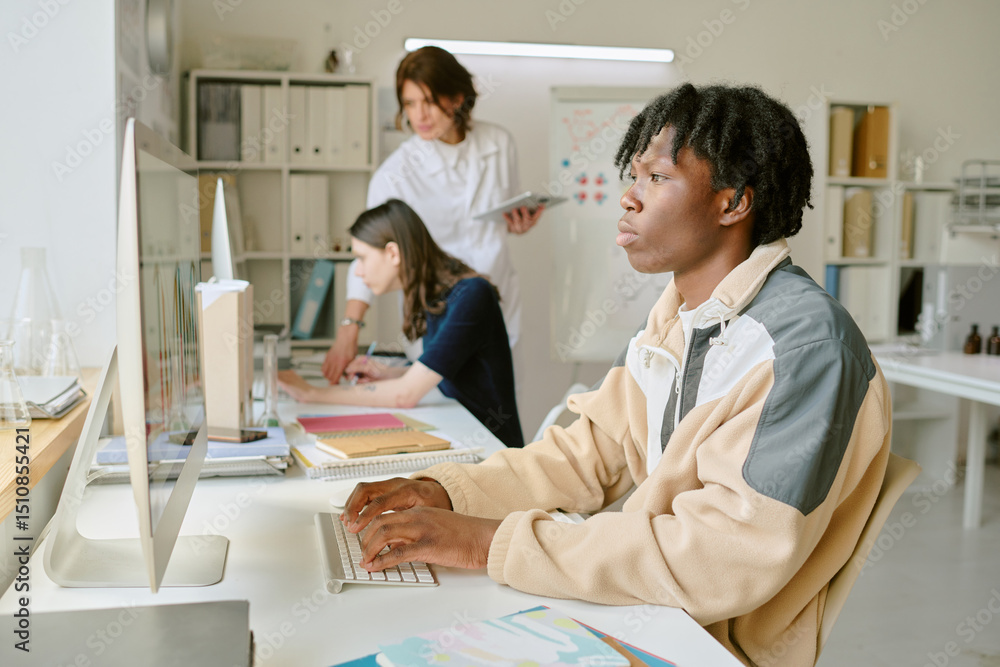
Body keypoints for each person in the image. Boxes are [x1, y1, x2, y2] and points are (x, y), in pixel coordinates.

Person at [337, 84, 892, 667]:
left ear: (732, 203)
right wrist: (445, 491)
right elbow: (584, 454)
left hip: (706, 645)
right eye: (634, 176)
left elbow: (716, 558)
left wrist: (486, 543)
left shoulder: (804, 349)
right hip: (647, 613)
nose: (628, 198)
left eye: (657, 178)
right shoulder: (681, 315)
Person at [322, 46, 543, 383]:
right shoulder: (393, 174)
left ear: (456, 97)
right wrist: (349, 329)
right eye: (410, 104)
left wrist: (518, 224)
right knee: (442, 420)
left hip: (498, 307)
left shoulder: (499, 143)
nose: (420, 115)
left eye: (429, 101)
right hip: (437, 318)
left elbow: (500, 218)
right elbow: (367, 255)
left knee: (500, 419)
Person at [278, 199, 524, 449]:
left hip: (494, 452)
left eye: (362, 259)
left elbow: (405, 395)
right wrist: (390, 374)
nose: (359, 272)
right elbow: (450, 373)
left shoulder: (472, 295)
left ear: (393, 253)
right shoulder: (434, 296)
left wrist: (311, 393)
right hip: (462, 435)